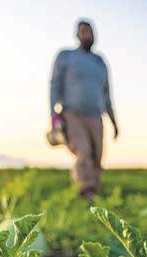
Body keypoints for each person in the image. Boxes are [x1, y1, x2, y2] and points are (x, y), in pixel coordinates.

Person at [49, 20, 118, 200]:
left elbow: (107, 94)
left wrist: (114, 121)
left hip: (96, 115)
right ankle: (84, 192)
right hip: (72, 113)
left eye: (90, 31)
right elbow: (55, 85)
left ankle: (94, 191)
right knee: (83, 150)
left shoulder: (100, 62)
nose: (87, 35)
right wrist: (54, 117)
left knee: (97, 156)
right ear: (77, 35)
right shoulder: (66, 56)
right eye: (83, 31)